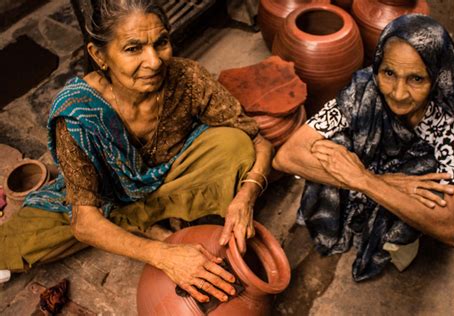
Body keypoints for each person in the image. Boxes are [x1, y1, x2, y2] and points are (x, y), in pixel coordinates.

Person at [0, 0, 273, 302]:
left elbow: (259, 140)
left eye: (161, 42)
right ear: (99, 55)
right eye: (133, 49)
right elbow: (85, 222)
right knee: (15, 246)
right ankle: (148, 225)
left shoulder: (187, 78)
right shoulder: (77, 113)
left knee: (234, 145)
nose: (155, 61)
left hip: (168, 179)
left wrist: (246, 197)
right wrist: (164, 254)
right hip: (106, 198)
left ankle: (144, 222)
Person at [273, 14, 454, 281]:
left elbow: (451, 228)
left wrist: (365, 180)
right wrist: (382, 181)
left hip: (387, 182)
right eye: (389, 73)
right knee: (332, 145)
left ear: (437, 76)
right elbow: (286, 156)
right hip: (369, 174)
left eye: (416, 79)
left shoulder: (452, 124)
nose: (398, 93)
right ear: (378, 65)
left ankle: (387, 237)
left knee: (428, 183)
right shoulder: (363, 91)